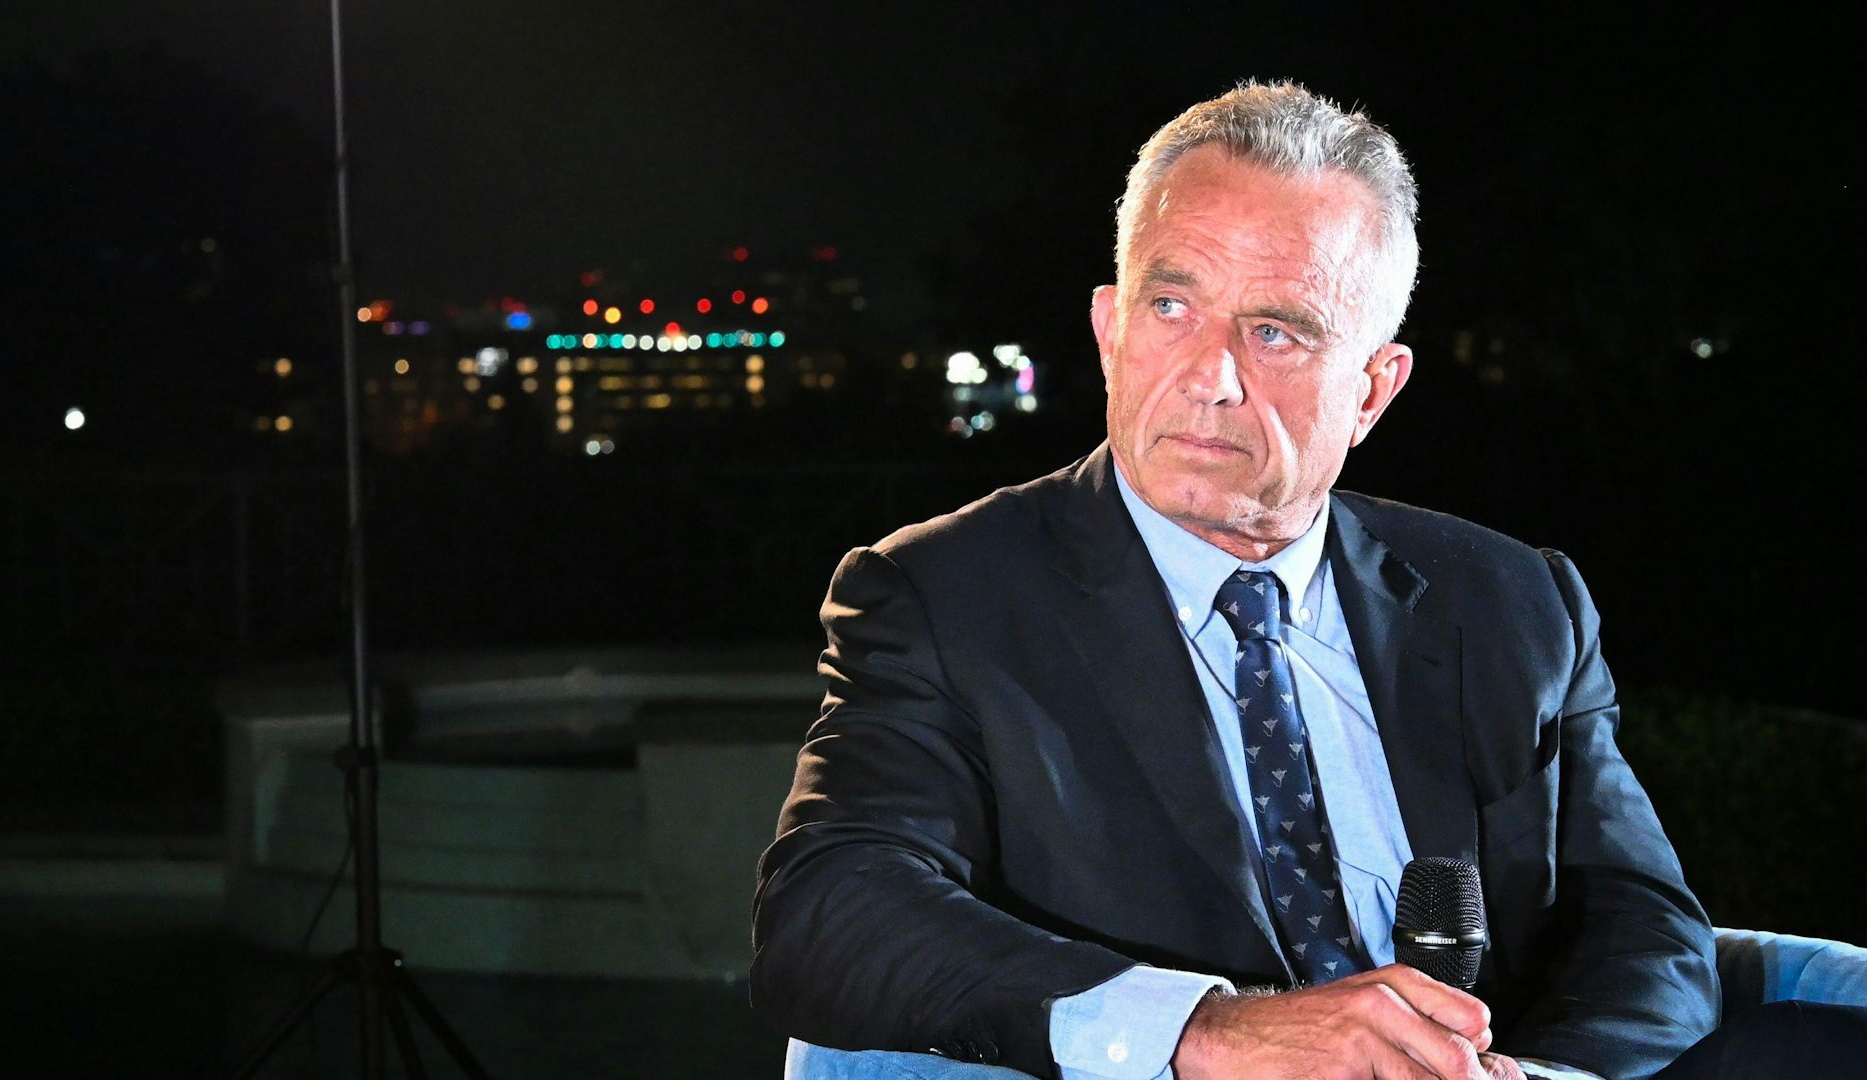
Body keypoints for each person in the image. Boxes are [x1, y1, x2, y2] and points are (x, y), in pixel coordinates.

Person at [750, 81, 1854, 1080]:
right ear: (1108, 329)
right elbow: (831, 910)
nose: (1211, 380)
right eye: (1172, 309)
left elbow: (1645, 928)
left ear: (1375, 390)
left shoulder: (1510, 602)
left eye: (1276, 332)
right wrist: (1211, 1033)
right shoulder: (947, 595)